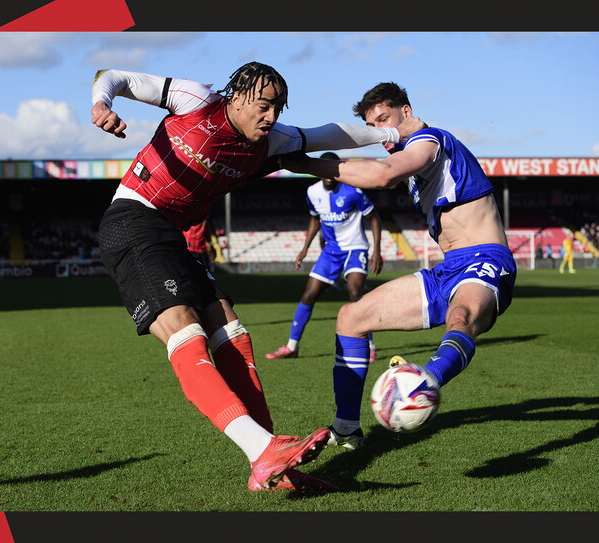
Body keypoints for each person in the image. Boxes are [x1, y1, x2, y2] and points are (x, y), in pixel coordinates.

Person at [90, 63, 424, 490]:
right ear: (237, 96)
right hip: (133, 220)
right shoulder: (195, 100)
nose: (271, 117)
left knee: (232, 331)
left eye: (278, 109)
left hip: (170, 237)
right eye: (264, 105)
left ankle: (272, 464)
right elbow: (114, 76)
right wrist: (102, 103)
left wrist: (393, 134)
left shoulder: (271, 142)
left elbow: (331, 133)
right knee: (185, 331)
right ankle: (262, 451)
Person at [280, 82, 517, 450]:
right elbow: (379, 171)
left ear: (406, 112)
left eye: (385, 120)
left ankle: (426, 383)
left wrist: (308, 164)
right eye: (373, 128)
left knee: (461, 318)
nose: (382, 133)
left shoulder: (431, 141)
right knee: (350, 318)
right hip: (448, 268)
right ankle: (345, 428)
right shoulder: (410, 156)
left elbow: (384, 173)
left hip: (486, 259)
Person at [266, 152, 383, 361]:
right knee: (309, 294)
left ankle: (369, 345)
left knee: (355, 291)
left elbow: (374, 218)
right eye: (325, 169)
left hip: (355, 248)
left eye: (333, 169)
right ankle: (292, 347)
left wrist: (377, 251)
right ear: (319, 170)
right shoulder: (312, 192)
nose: (329, 175)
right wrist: (304, 249)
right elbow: (314, 220)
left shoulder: (353, 191)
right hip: (331, 251)